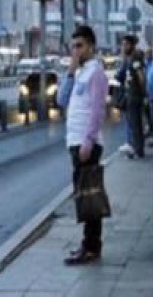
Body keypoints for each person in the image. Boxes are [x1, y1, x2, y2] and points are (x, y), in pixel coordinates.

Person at [55, 25, 109, 266]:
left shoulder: (96, 72)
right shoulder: (79, 72)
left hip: (87, 143)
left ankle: (92, 246)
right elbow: (61, 100)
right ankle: (88, 245)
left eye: (80, 46)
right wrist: (69, 71)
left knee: (90, 196)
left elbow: (98, 110)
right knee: (83, 195)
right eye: (72, 46)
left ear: (91, 47)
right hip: (74, 141)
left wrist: (88, 140)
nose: (75, 51)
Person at [116, 35, 147, 159]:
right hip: (130, 94)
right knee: (133, 123)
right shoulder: (129, 58)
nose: (123, 47)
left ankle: (138, 149)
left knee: (135, 124)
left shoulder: (135, 58)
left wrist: (143, 93)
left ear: (131, 45)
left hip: (134, 96)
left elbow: (141, 77)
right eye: (122, 45)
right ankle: (136, 147)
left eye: (125, 45)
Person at [144, 47, 153, 140]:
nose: (147, 55)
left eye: (149, 53)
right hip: (148, 95)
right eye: (146, 54)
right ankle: (151, 132)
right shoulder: (147, 65)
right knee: (149, 116)